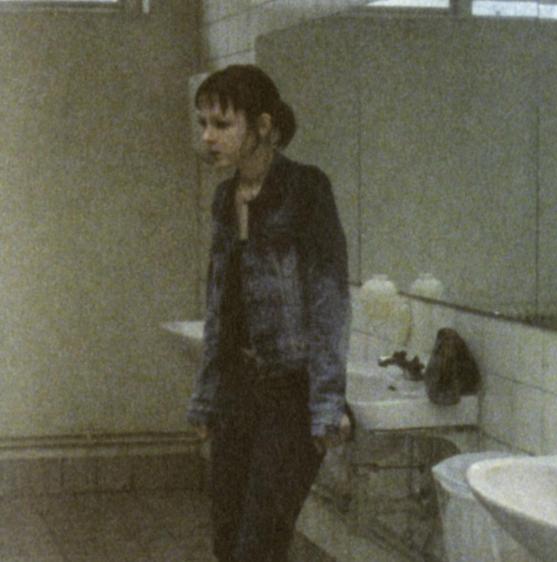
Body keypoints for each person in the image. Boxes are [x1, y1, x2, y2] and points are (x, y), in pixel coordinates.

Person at [186, 64, 351, 562]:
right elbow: (219, 304)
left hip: (289, 392)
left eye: (222, 124)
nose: (208, 136)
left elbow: (328, 299)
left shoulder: (306, 189)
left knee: (258, 546)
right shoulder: (224, 198)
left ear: (262, 126)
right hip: (237, 389)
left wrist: (327, 403)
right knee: (226, 542)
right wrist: (206, 397)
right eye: (204, 123)